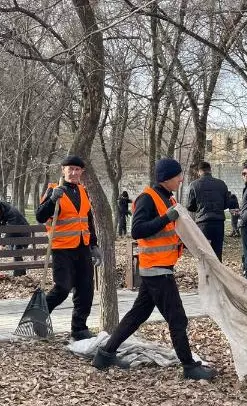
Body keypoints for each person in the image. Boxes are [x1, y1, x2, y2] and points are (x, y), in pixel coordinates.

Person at [92, 158, 217, 381]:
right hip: (156, 269)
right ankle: (189, 367)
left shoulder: (166, 197)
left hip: (158, 267)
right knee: (178, 319)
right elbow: (138, 230)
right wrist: (166, 218)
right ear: (167, 177)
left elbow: (169, 232)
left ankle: (105, 354)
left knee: (137, 314)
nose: (181, 179)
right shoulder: (147, 198)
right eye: (178, 175)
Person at [35, 155, 102, 341]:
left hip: (82, 247)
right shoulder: (53, 190)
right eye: (70, 169)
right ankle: (38, 318)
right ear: (63, 170)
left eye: (77, 169)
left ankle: (79, 329)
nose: (73, 172)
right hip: (61, 248)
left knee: (85, 289)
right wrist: (51, 200)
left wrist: (94, 245)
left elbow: (88, 220)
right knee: (63, 288)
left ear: (82, 172)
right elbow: (40, 216)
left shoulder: (83, 191)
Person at [186, 161, 230, 260]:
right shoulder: (221, 184)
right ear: (210, 170)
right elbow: (227, 204)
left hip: (203, 222)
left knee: (204, 252)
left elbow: (189, 206)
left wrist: (200, 208)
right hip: (218, 222)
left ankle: (206, 274)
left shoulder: (194, 185)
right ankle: (218, 274)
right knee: (217, 252)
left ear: (199, 172)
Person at [0, 199, 30, 276]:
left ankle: (18, 274)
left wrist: (2, 243)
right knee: (14, 252)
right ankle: (21, 273)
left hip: (22, 232)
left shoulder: (11, 212)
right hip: (14, 233)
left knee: (16, 251)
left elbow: (11, 230)